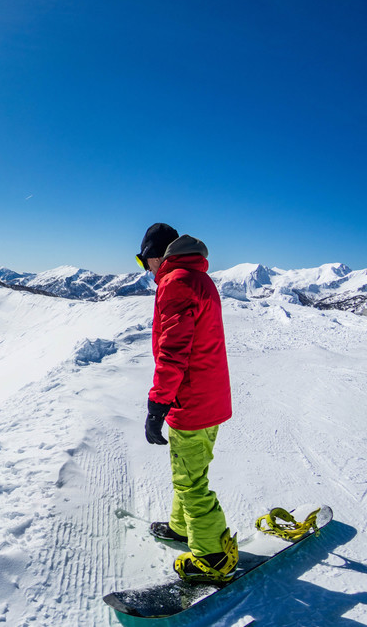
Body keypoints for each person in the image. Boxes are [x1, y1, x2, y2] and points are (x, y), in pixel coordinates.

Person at [136, 222, 236, 582]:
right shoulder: (198, 277)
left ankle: (213, 556)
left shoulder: (176, 282)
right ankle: (182, 527)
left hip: (191, 400)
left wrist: (157, 404)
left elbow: (174, 351)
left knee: (191, 482)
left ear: (154, 256)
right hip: (209, 398)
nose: (144, 268)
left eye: (141, 260)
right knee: (189, 471)